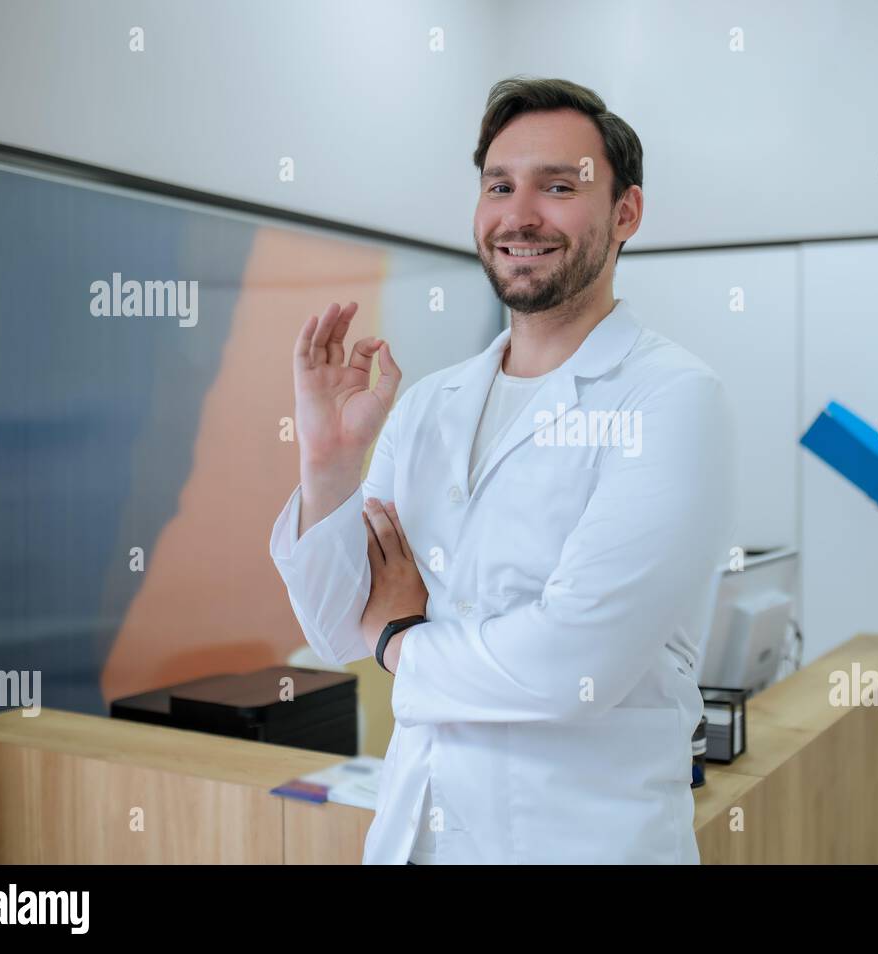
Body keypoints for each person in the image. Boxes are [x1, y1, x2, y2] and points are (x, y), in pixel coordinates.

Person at [269, 77, 736, 864]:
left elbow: (574, 662)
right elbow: (330, 625)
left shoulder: (673, 399)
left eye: (559, 186)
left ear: (626, 213)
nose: (520, 215)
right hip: (415, 837)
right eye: (500, 185)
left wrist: (401, 641)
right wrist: (329, 462)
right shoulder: (428, 407)